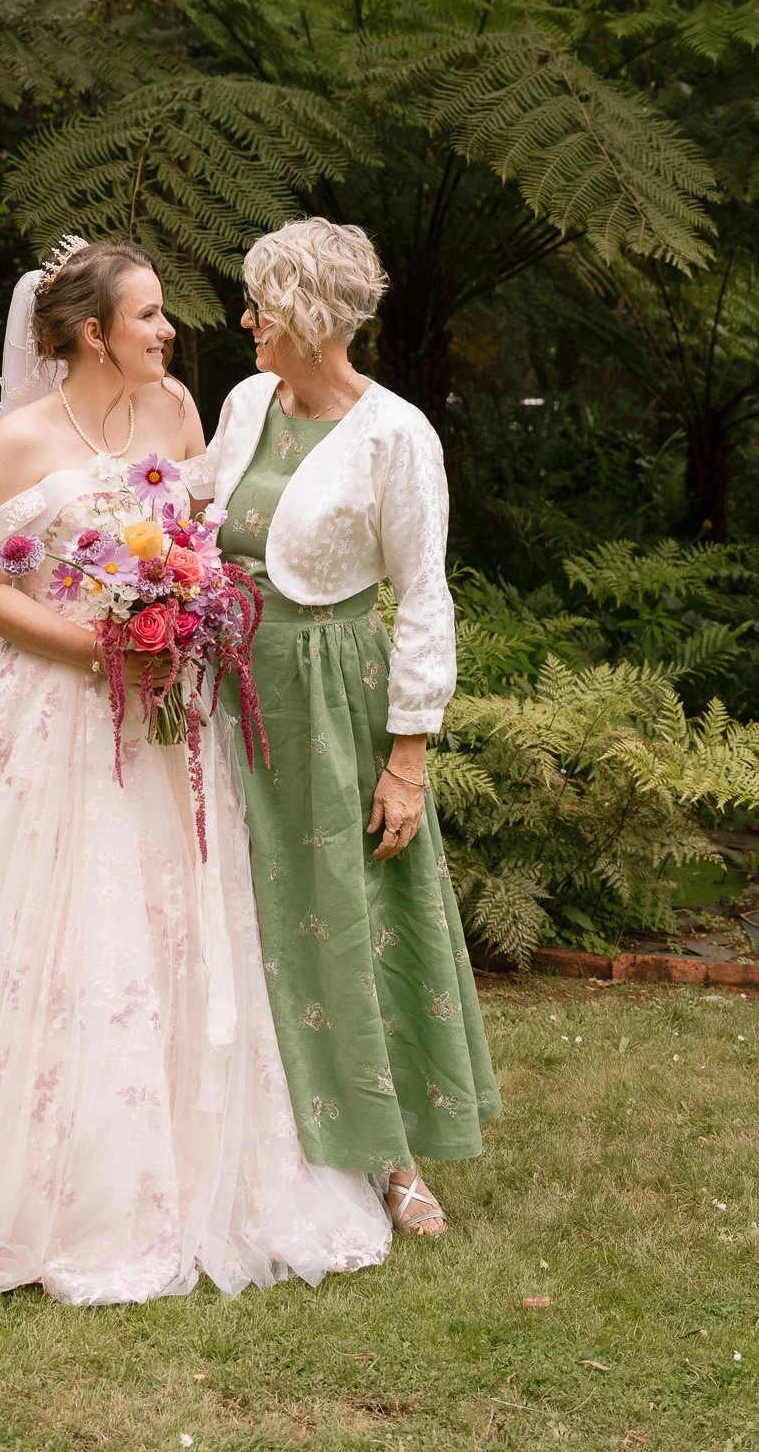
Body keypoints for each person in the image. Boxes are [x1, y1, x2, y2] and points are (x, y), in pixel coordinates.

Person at [0, 237, 391, 1303]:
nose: (170, 332)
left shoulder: (176, 413)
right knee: (55, 922)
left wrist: (185, 614)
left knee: (178, 919)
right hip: (55, 710)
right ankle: (30, 1164)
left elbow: (203, 535)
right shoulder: (20, 440)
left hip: (169, 719)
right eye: (150, 315)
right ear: (91, 332)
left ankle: (191, 1150)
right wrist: (102, 646)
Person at [195, 219, 500, 1237]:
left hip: (330, 694)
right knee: (232, 906)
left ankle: (392, 1152)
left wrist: (407, 756)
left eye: (261, 305)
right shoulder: (244, 402)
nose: (245, 320)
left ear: (310, 317)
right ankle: (244, 1139)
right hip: (220, 686)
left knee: (347, 908)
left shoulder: (396, 433)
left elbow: (423, 595)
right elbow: (196, 512)